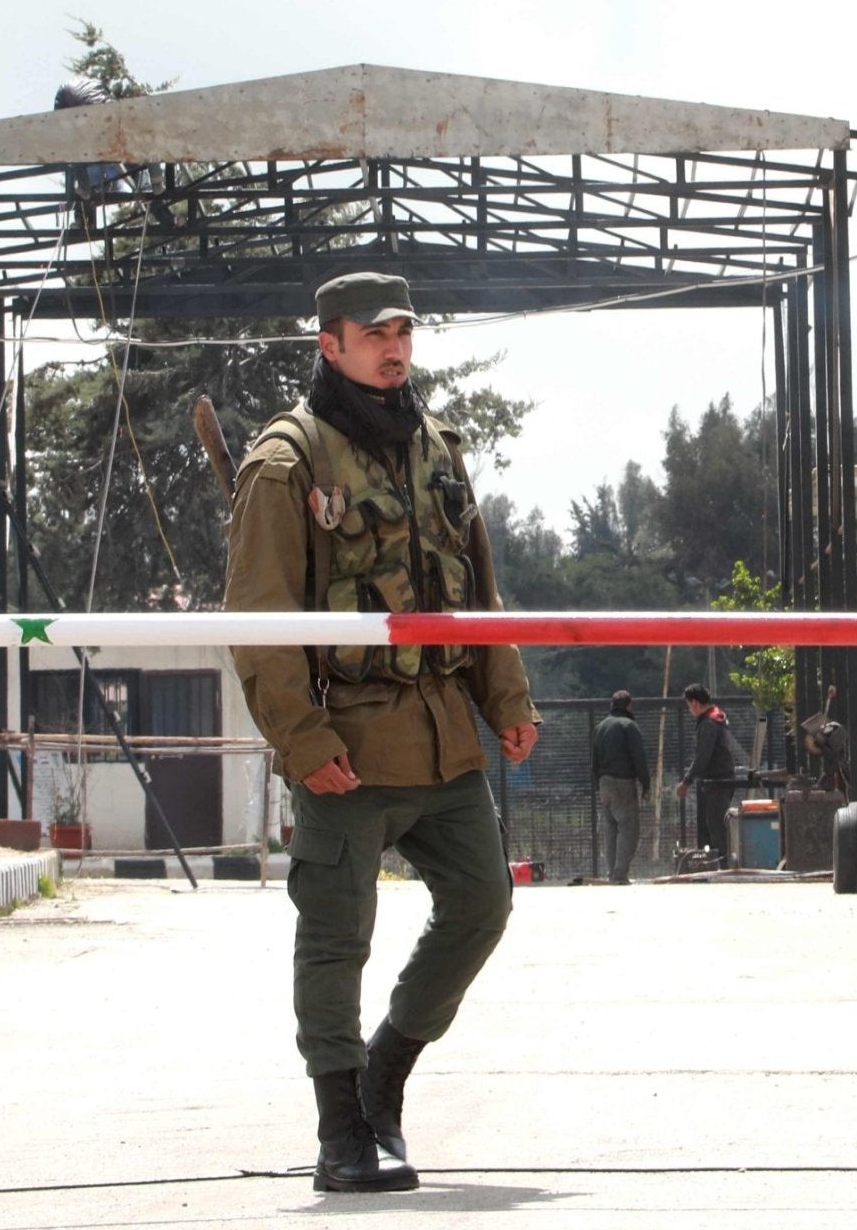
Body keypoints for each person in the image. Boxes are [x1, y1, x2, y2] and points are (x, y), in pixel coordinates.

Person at [227, 271, 540, 1195]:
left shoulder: (438, 447)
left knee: (483, 905)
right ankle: (341, 1130)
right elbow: (261, 615)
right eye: (374, 333)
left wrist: (508, 699)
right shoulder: (288, 460)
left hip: (445, 736)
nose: (394, 345)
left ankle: (384, 1076)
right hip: (348, 744)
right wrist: (302, 740)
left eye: (402, 329)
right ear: (330, 343)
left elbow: (476, 591)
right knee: (335, 939)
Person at [672, 683, 740, 866]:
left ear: (694, 703)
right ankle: (719, 865)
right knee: (714, 825)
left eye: (688, 705)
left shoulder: (709, 724)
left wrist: (686, 781)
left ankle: (724, 867)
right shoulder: (717, 718)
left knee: (716, 826)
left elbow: (702, 757)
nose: (689, 710)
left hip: (716, 781)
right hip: (722, 778)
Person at [589, 690, 651, 884]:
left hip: (603, 783)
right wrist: (646, 783)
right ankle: (620, 873)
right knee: (628, 828)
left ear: (611, 705)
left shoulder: (600, 727)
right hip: (623, 782)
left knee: (610, 829)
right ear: (629, 705)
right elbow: (638, 756)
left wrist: (596, 785)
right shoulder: (629, 726)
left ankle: (612, 873)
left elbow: (594, 760)